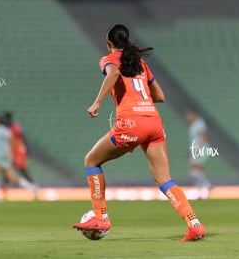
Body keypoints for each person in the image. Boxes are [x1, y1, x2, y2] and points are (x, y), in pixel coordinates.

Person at [72, 24, 205, 241]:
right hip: (154, 122)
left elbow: (113, 73)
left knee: (91, 161)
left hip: (131, 124)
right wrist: (140, 101)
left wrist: (97, 103)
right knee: (164, 179)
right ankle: (194, 223)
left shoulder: (109, 60)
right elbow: (160, 96)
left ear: (109, 44)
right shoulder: (140, 63)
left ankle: (100, 217)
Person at [2, 112, 35, 183]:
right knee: (6, 169)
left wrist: (28, 148)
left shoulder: (15, 127)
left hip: (18, 152)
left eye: (6, 119)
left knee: (22, 170)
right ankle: (4, 187)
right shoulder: (4, 129)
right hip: (10, 152)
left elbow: (23, 137)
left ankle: (33, 185)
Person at [187, 111, 211, 198]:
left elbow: (203, 135)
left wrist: (199, 147)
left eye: (189, 115)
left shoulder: (200, 123)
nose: (188, 117)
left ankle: (205, 187)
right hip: (195, 149)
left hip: (200, 149)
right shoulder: (193, 125)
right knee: (195, 171)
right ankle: (202, 189)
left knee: (196, 168)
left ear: (194, 115)